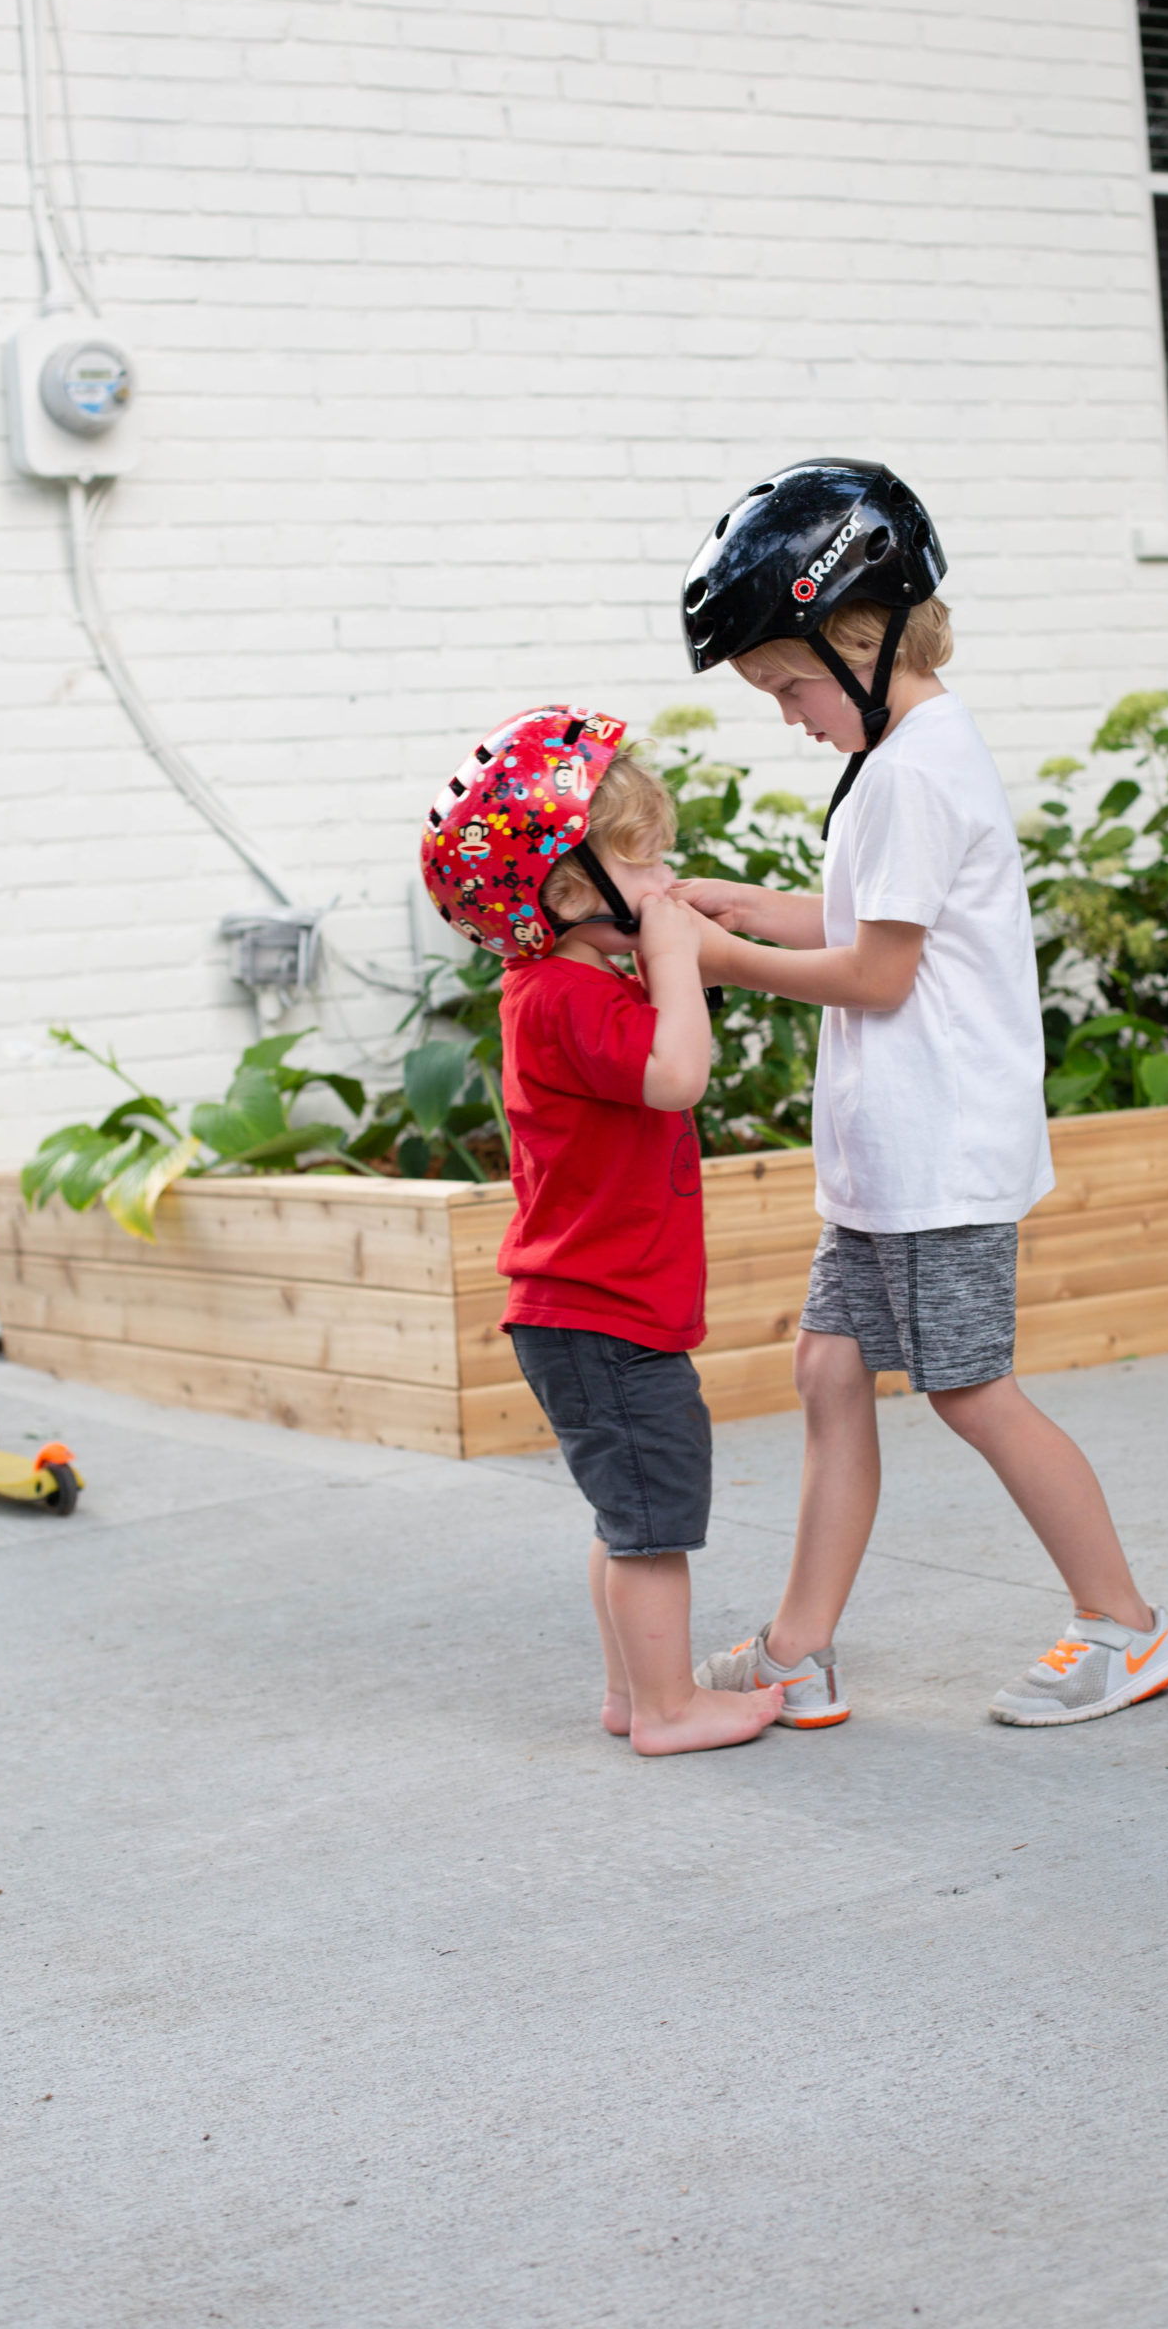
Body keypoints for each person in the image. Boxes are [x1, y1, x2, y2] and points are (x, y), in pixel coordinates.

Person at [673, 460, 1168, 1729]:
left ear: (859, 641)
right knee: (827, 1369)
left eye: (788, 686)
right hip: (891, 1157)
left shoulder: (912, 770)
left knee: (970, 1389)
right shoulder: (903, 755)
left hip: (940, 1154)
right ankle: (798, 1649)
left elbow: (878, 973)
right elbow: (870, 920)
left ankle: (1124, 1625)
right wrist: (747, 906)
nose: (788, 716)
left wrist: (722, 959)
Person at [420, 705, 784, 1755]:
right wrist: (671, 955)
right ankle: (669, 1709)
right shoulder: (560, 998)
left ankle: (635, 1692)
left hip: (601, 1311)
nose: (665, 880)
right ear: (571, 892)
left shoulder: (571, 983)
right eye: (645, 861)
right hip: (602, 1315)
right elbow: (678, 1074)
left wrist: (675, 944)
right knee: (653, 1526)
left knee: (630, 1519)